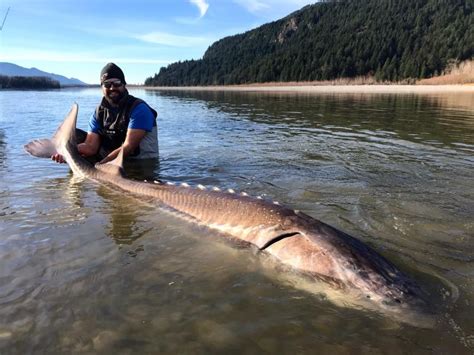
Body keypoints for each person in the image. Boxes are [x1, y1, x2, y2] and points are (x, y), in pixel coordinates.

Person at [52, 62, 158, 164]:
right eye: (107, 84)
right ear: (102, 88)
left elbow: (128, 146)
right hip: (112, 163)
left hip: (141, 164)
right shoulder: (99, 113)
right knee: (74, 136)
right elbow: (90, 147)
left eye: (117, 83)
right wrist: (67, 152)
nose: (112, 88)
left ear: (124, 85)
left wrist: (101, 166)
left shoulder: (139, 109)